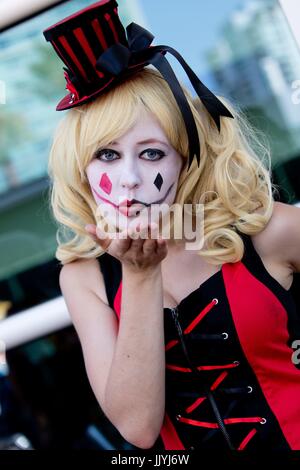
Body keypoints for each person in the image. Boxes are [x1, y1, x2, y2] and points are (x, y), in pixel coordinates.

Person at [44, 0, 300, 451]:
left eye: (151, 152)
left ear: (185, 159)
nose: (129, 178)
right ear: (79, 168)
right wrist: (140, 275)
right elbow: (138, 428)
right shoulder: (85, 277)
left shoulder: (266, 231)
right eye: (106, 154)